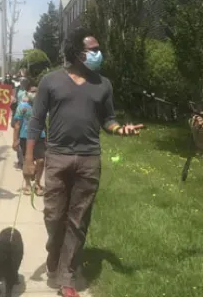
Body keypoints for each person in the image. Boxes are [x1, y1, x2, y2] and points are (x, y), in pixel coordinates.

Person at [25, 29, 142, 297]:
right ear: (76, 52)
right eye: (92, 49)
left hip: (89, 159)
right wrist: (29, 159)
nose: (97, 54)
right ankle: (54, 254)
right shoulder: (50, 81)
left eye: (97, 49)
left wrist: (120, 129)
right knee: (54, 217)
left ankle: (67, 274)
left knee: (78, 220)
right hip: (57, 157)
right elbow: (35, 121)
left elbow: (108, 119)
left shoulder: (103, 85)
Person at [13, 83, 45, 196]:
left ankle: (37, 183)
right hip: (24, 137)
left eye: (36, 91)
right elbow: (17, 124)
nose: (34, 94)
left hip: (40, 136)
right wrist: (15, 140)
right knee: (27, 161)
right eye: (32, 91)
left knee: (41, 161)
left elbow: (47, 123)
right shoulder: (22, 106)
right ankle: (27, 184)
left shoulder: (43, 105)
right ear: (27, 92)